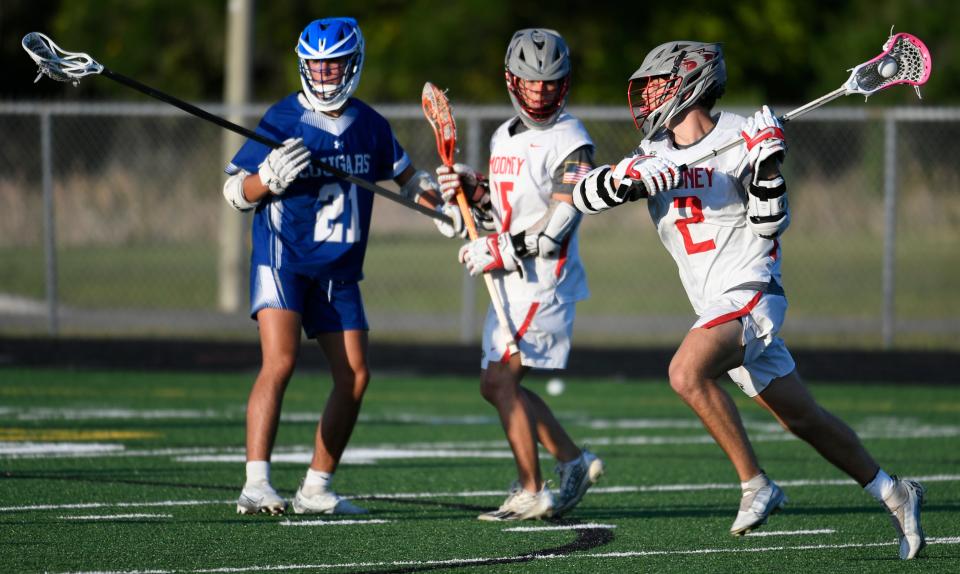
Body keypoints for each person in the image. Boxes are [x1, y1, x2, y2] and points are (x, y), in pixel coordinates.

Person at [571, 41, 925, 559]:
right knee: (803, 419)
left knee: (685, 372)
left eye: (656, 85)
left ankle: (756, 483)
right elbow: (584, 195)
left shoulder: (744, 136)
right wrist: (628, 179)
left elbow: (770, 222)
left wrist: (768, 160)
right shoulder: (654, 153)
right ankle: (895, 492)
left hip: (752, 293)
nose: (646, 98)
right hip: (713, 305)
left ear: (688, 84)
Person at [223, 17, 462, 516]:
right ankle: (256, 483)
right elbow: (234, 193)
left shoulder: (370, 125)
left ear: (353, 64)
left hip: (340, 267)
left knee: (354, 376)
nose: (326, 75)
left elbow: (406, 176)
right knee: (280, 361)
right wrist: (264, 179)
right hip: (284, 257)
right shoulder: (281, 118)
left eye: (334, 65)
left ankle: (316, 487)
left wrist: (435, 204)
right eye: (317, 66)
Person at [436, 28, 604, 521]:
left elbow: (557, 223)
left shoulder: (574, 142)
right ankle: (573, 461)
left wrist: (500, 247)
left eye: (550, 83)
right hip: (512, 277)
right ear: (512, 82)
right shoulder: (502, 135)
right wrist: (475, 191)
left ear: (564, 83)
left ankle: (534, 488)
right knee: (497, 385)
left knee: (501, 381)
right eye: (531, 83)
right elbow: (506, 205)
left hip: (543, 280)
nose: (541, 92)